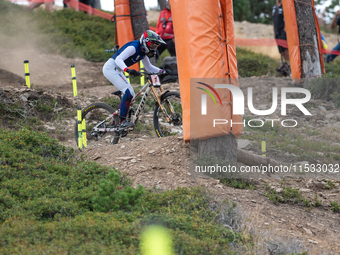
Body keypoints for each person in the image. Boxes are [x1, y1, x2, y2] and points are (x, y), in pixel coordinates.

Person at [102, 30, 168, 129]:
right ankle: (122, 121)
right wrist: (127, 70)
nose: (154, 49)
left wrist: (163, 71)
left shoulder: (143, 52)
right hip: (110, 68)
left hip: (118, 70)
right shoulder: (134, 47)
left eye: (155, 47)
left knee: (131, 94)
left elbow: (149, 68)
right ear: (146, 42)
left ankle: (115, 119)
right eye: (153, 46)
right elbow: (118, 59)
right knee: (128, 92)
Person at [272, 0, 290, 76]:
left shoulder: (285, 6)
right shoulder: (274, 7)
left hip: (283, 31)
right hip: (277, 32)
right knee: (282, 51)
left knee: (286, 49)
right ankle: (286, 66)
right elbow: (273, 21)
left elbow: (287, 18)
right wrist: (274, 32)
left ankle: (291, 67)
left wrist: (285, 30)